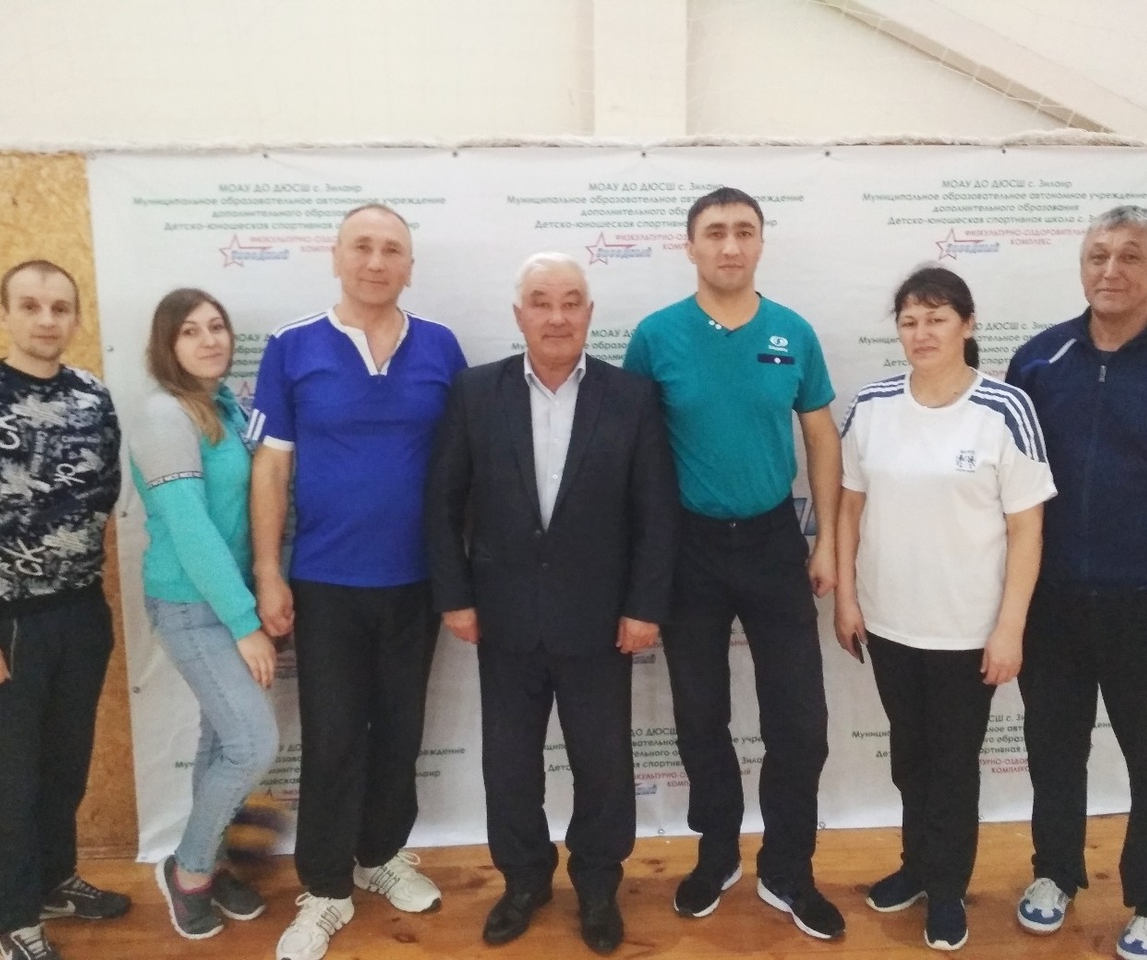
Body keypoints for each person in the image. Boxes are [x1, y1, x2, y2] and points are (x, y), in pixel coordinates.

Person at [425, 253, 678, 955]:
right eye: (541, 301)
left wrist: (644, 606)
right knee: (509, 767)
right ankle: (524, 880)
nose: (557, 316)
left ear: (589, 313)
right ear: (519, 315)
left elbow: (656, 513)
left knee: (604, 767)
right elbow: (442, 504)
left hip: (600, 622)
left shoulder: (631, 397)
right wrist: (454, 597)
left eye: (571, 302)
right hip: (502, 616)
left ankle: (597, 885)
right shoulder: (476, 392)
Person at [1006, 205, 1147, 960]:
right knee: (1053, 751)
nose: (1111, 270)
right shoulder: (1038, 362)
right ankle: (1055, 872)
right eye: (1098, 255)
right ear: (1081, 266)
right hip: (1053, 605)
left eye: (1130, 256)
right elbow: (1011, 496)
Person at [623, 187, 845, 939]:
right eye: (714, 232)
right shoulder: (656, 336)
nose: (729, 245)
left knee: (801, 720)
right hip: (687, 548)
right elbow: (634, 450)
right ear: (689, 246)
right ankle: (716, 852)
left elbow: (820, 436)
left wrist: (826, 540)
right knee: (699, 713)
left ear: (760, 243)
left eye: (744, 231)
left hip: (774, 542)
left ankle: (788, 868)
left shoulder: (792, 332)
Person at [247, 204, 467, 960]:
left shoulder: (440, 347)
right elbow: (270, 468)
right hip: (325, 583)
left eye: (392, 250)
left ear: (409, 266)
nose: (377, 262)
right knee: (334, 737)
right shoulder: (293, 347)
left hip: (418, 583)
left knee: (400, 731)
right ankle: (324, 888)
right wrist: (268, 571)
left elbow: (465, 466)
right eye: (363, 247)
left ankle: (379, 855)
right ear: (337, 256)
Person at [835, 266, 1054, 951]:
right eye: (909, 321)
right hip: (888, 623)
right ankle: (917, 867)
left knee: (953, 767)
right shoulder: (872, 405)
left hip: (967, 631)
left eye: (935, 318)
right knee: (910, 758)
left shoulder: (1005, 409)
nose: (921, 332)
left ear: (967, 324)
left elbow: (1027, 527)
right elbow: (848, 508)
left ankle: (949, 888)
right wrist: (847, 598)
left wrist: (1010, 628)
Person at [0, 260, 127, 960]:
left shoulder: (92, 397)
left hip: (81, 614)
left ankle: (55, 881)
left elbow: (103, 495)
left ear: (76, 317)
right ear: (5, 314)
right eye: (30, 306)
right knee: (10, 782)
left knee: (64, 769)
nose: (46, 319)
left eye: (60, 307)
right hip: (3, 626)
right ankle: (13, 918)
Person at [129, 289, 280, 940]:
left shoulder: (222, 406)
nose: (209, 339)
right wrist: (245, 624)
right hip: (191, 604)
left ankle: (210, 862)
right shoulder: (164, 414)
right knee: (252, 744)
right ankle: (188, 870)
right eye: (190, 331)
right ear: (168, 346)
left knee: (221, 741)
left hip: (229, 595)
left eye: (217, 326)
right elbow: (190, 530)